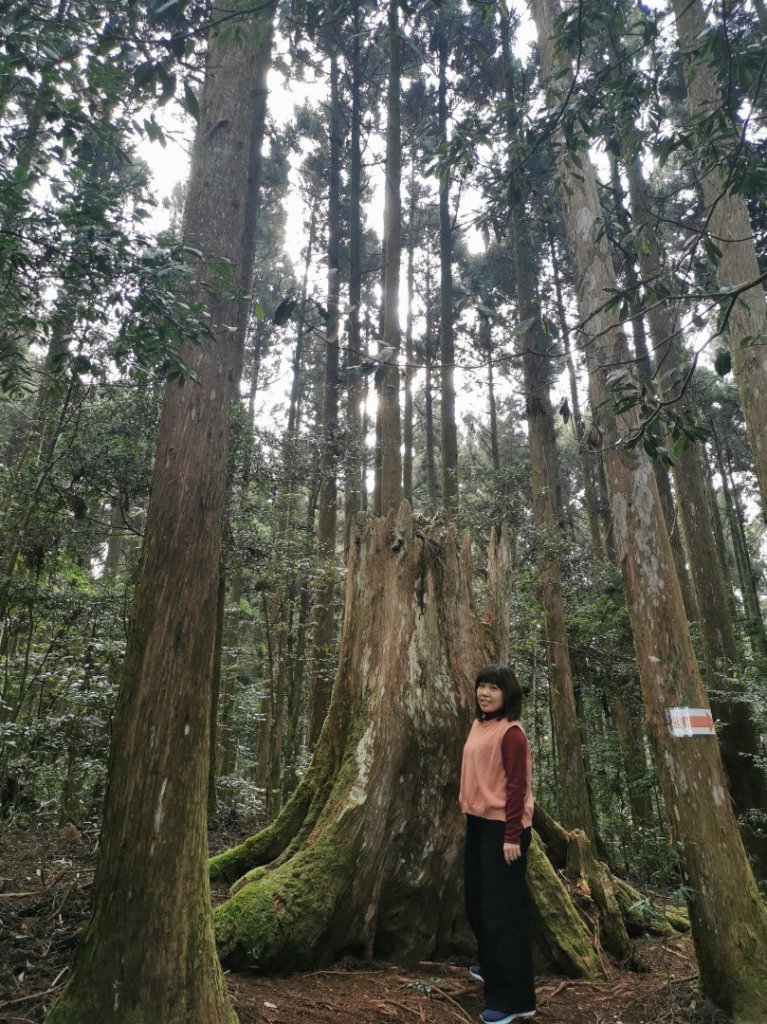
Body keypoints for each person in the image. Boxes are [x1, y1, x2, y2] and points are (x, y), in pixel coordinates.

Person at [459, 663, 536, 1024]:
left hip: (504, 830)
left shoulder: (512, 734)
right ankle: (491, 966)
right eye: (481, 686)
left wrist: (511, 836)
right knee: (476, 904)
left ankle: (514, 1001)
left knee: (502, 915)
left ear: (508, 694)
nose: (484, 693)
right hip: (477, 825)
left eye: (493, 688)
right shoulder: (479, 725)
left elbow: (517, 787)